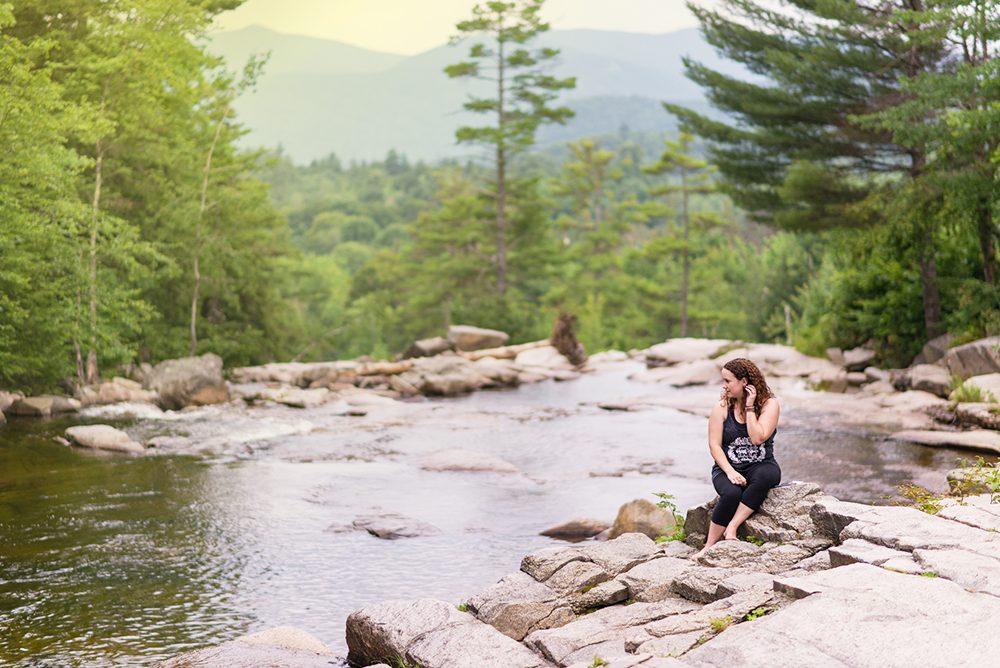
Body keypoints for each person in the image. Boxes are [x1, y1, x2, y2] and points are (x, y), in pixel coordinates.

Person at [691, 357, 781, 560]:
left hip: (761, 464)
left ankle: (732, 528)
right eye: (723, 381)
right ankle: (708, 546)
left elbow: (757, 438)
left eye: (728, 381)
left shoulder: (769, 405)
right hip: (727, 466)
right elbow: (714, 445)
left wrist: (749, 408)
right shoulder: (721, 408)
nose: (724, 386)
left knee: (765, 476)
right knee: (731, 493)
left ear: (744, 382)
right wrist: (730, 472)